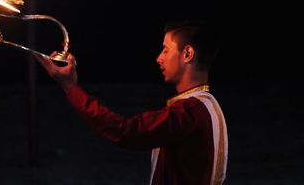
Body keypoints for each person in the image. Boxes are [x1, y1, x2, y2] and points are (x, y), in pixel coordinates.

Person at [34, 20, 228, 185]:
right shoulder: (205, 107)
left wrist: (70, 87)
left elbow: (126, 131)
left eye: (166, 50)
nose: (159, 58)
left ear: (187, 54)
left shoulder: (191, 111)